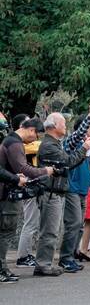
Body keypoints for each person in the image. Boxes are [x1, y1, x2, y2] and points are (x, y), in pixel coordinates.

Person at [35, 106, 90, 276]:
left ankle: (49, 262)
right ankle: (44, 264)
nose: (65, 126)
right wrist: (83, 148)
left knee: (56, 229)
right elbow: (67, 162)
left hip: (58, 192)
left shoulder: (56, 144)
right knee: (50, 231)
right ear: (53, 126)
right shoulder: (49, 146)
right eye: (63, 123)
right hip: (52, 192)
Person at [0, 117, 53, 283]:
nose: (36, 139)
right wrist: (44, 171)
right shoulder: (14, 143)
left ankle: (3, 269)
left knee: (5, 232)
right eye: (36, 134)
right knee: (5, 232)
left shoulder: (9, 141)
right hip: (6, 195)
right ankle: (1, 269)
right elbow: (22, 167)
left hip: (6, 192)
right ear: (31, 130)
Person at [59, 115, 90, 273]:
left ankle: (72, 253)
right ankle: (65, 258)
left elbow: (88, 167)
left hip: (83, 189)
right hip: (72, 189)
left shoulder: (87, 146)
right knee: (74, 223)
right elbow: (78, 134)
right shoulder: (73, 142)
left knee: (79, 226)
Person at [14, 114, 43, 268]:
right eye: (28, 125)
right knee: (30, 223)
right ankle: (22, 256)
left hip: (33, 187)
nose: (32, 131)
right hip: (28, 188)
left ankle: (26, 254)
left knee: (32, 223)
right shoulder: (24, 146)